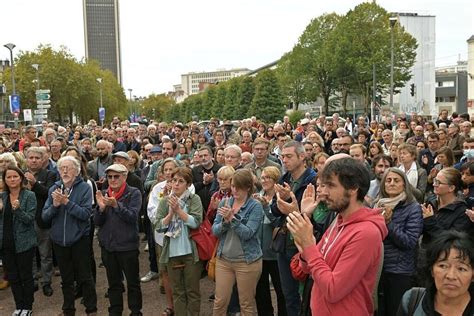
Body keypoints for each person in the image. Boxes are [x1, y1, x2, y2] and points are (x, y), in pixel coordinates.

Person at [286, 157, 388, 315]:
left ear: (353, 188)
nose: (324, 192)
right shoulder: (338, 221)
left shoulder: (366, 233)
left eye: (331, 186)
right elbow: (307, 268)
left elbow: (333, 290)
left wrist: (309, 247)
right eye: (324, 185)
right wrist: (306, 246)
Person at [42, 156, 97, 316]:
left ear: (77, 170)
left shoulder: (85, 188)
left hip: (79, 239)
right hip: (59, 241)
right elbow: (45, 216)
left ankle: (91, 309)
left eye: (68, 167)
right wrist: (55, 206)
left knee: (85, 277)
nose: (64, 171)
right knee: (66, 279)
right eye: (61, 168)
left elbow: (86, 214)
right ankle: (68, 309)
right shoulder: (54, 189)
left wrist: (67, 203)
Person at [212, 169, 264, 315]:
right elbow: (215, 231)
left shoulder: (255, 206)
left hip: (247, 261)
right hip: (224, 260)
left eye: (238, 187)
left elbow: (248, 233)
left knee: (246, 304)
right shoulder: (224, 202)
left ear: (248, 187)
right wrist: (225, 223)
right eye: (233, 186)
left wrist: (232, 220)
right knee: (220, 302)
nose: (234, 190)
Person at [94, 164, 143, 316]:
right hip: (108, 247)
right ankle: (115, 311)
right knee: (113, 284)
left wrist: (116, 205)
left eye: (116, 176)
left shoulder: (133, 193)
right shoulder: (103, 193)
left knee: (133, 283)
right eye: (110, 177)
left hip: (127, 246)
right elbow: (97, 221)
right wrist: (101, 208)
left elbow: (133, 217)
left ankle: (135, 311)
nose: (113, 180)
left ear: (125, 176)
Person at [373, 168, 423, 316]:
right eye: (388, 180)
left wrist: (388, 224)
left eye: (396, 180)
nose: (392, 183)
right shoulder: (376, 206)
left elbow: (409, 242)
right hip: (377, 269)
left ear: (404, 185)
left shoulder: (413, 208)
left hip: (400, 271)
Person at [155, 167, 203, 316]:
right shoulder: (164, 201)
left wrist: (179, 211)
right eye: (173, 180)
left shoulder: (194, 199)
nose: (176, 184)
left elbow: (196, 222)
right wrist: (170, 213)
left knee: (192, 291)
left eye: (180, 181)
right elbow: (158, 226)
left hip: (190, 252)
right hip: (172, 253)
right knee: (177, 292)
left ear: (188, 184)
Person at [398, 230, 474, 315]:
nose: (451, 276)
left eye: (461, 268)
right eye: (443, 266)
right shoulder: (411, 300)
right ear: (431, 270)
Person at [0, 166, 37, 316]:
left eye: (15, 176)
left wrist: (18, 210)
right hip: (6, 244)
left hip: (24, 244)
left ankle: (27, 306)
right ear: (5, 180)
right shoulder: (2, 196)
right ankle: (19, 305)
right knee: (13, 277)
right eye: (8, 177)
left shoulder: (29, 195)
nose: (12, 179)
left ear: (21, 178)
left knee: (26, 276)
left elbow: (29, 219)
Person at [24, 147, 57, 297]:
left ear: (43, 159)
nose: (34, 160)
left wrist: (35, 183)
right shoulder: (19, 174)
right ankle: (31, 280)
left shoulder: (49, 174)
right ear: (26, 160)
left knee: (45, 254)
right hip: (25, 220)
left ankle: (46, 282)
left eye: (37, 158)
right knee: (28, 253)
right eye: (31, 158)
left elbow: (49, 194)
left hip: (42, 220)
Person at [254, 166, 287, 316]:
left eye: (269, 178)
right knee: (261, 292)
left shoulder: (280, 198)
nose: (265, 180)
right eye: (263, 178)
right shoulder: (257, 195)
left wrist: (266, 207)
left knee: (281, 290)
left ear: (275, 181)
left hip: (275, 252)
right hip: (258, 252)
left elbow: (278, 224)